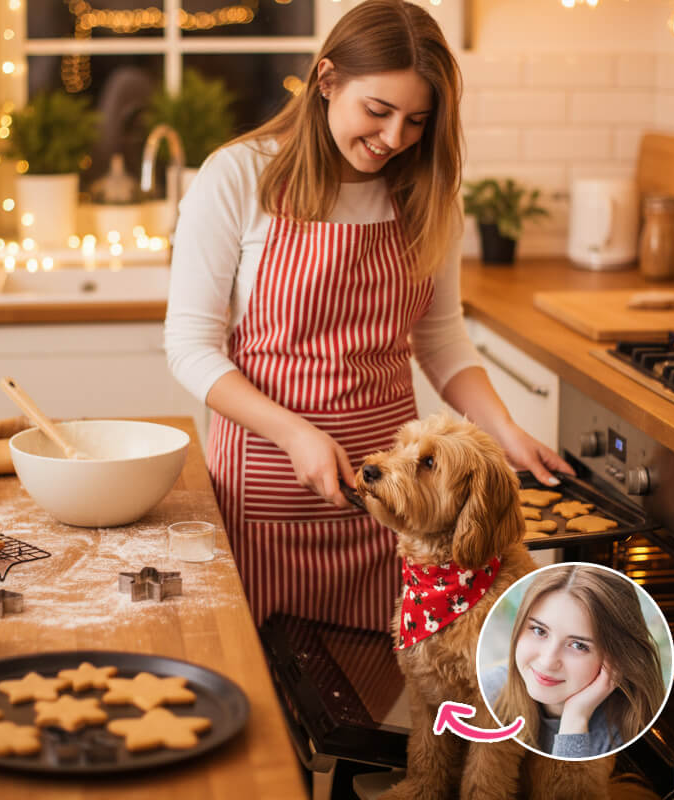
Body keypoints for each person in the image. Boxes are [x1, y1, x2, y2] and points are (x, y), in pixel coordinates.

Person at [164, 0, 571, 631]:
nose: (393, 139)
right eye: (377, 112)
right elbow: (190, 346)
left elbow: (442, 342)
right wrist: (296, 433)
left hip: (399, 513)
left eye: (416, 121)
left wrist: (504, 430)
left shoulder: (423, 192)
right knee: (278, 702)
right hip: (269, 495)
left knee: (382, 708)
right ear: (326, 81)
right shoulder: (240, 176)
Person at [482, 564, 667, 759]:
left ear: (616, 658)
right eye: (539, 631)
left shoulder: (632, 732)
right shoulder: (486, 693)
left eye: (578, 645)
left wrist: (575, 720)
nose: (547, 662)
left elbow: (568, 790)